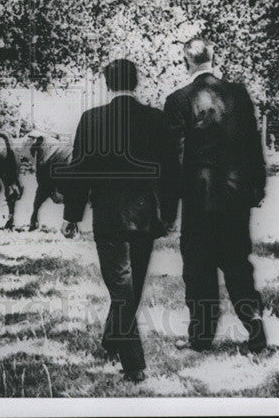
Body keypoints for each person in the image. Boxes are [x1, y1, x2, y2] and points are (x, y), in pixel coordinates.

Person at [57, 58, 180, 383]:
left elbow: (78, 172)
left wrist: (72, 216)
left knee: (124, 291)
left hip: (109, 219)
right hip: (144, 217)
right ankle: (120, 349)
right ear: (136, 82)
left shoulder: (92, 119)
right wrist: (169, 215)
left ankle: (130, 359)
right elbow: (171, 172)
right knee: (129, 288)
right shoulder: (156, 120)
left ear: (108, 84)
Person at [163, 39, 268, 353]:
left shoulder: (178, 100)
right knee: (238, 263)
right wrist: (257, 187)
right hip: (235, 196)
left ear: (186, 62)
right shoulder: (238, 94)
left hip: (198, 199)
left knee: (199, 268)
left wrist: (168, 210)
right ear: (213, 57)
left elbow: (174, 159)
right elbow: (253, 144)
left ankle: (201, 337)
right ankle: (255, 326)